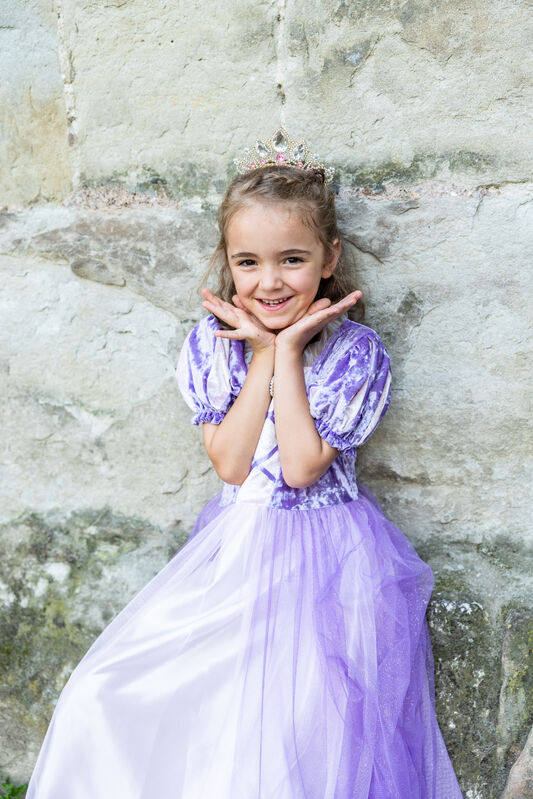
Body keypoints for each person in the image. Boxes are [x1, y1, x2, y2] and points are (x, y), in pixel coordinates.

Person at [26, 128, 464, 798]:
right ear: (228, 263)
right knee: (105, 693)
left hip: (331, 561)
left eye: (292, 259)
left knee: (299, 724)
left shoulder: (353, 353)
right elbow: (231, 465)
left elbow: (301, 468)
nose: (269, 281)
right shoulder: (216, 346)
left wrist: (287, 351)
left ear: (329, 257)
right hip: (234, 553)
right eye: (248, 262)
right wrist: (261, 353)